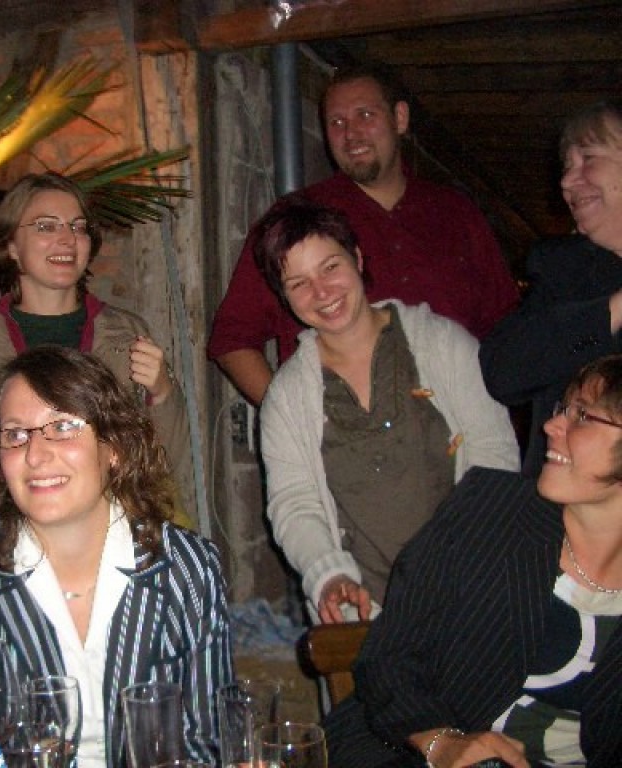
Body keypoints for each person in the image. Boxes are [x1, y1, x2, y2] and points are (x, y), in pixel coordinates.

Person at [0, 346, 233, 768]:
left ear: (114, 446)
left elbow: (207, 743)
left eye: (63, 426)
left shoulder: (187, 568)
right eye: (15, 434)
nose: (35, 455)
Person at [326, 354, 622, 768]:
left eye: (583, 416)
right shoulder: (490, 512)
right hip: (413, 752)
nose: (552, 425)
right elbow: (388, 656)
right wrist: (440, 742)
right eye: (564, 409)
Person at [257, 199, 519, 623]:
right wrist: (328, 575)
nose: (321, 292)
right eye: (298, 283)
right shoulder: (287, 398)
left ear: (358, 259)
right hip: (366, 615)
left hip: (472, 595)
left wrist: (470, 554)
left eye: (330, 267)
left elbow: (495, 455)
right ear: (284, 297)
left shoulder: (442, 345)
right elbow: (294, 503)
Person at [209, 65, 518, 406]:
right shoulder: (295, 220)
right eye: (336, 122)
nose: (351, 134)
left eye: (365, 115)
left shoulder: (456, 214)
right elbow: (232, 338)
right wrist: (294, 421)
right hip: (342, 435)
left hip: (457, 428)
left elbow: (506, 333)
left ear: (400, 118)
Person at [0, 171, 193, 529]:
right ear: (11, 245)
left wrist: (163, 393)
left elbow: (164, 460)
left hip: (112, 536)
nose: (67, 239)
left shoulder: (127, 334)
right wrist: (16, 517)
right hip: (7, 537)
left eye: (78, 227)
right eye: (46, 227)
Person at [480, 99, 622, 477]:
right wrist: (613, 310)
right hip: (567, 506)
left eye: (588, 158)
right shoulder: (563, 268)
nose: (567, 182)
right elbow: (504, 372)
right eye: (566, 167)